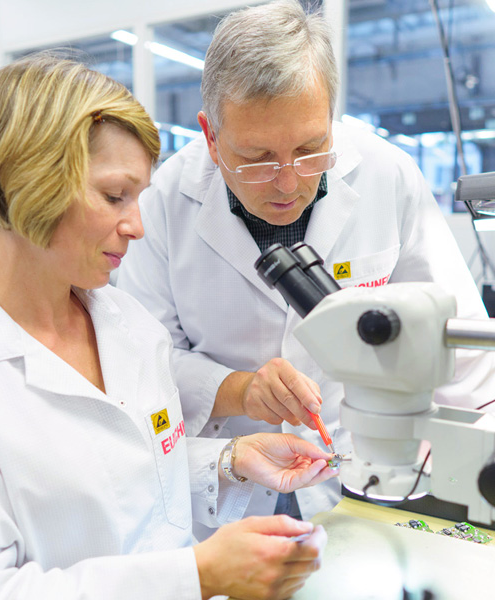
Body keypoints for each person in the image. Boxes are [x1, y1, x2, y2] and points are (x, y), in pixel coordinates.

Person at [0, 53, 339, 600]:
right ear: (25, 180)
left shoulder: (129, 325)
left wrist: (230, 461)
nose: (136, 225)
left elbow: (131, 481)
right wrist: (194, 576)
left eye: (139, 197)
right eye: (114, 196)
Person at [116, 0, 495, 534]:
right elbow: (141, 362)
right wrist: (236, 387)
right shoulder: (162, 204)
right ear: (211, 136)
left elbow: (464, 346)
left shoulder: (388, 176)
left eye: (311, 149)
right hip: (226, 480)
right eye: (258, 158)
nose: (288, 182)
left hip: (372, 471)